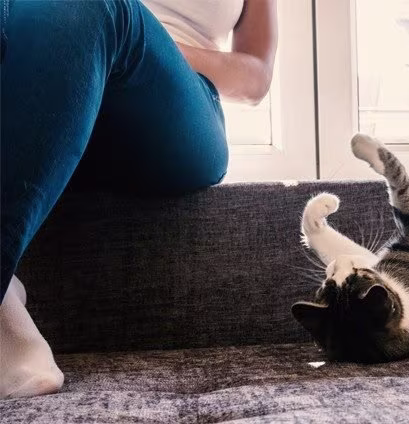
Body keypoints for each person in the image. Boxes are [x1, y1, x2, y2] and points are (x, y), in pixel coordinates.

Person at [0, 0, 277, 398]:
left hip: (170, 110)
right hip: (47, 81)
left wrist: (131, 40)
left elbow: (256, 75)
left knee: (90, 6)